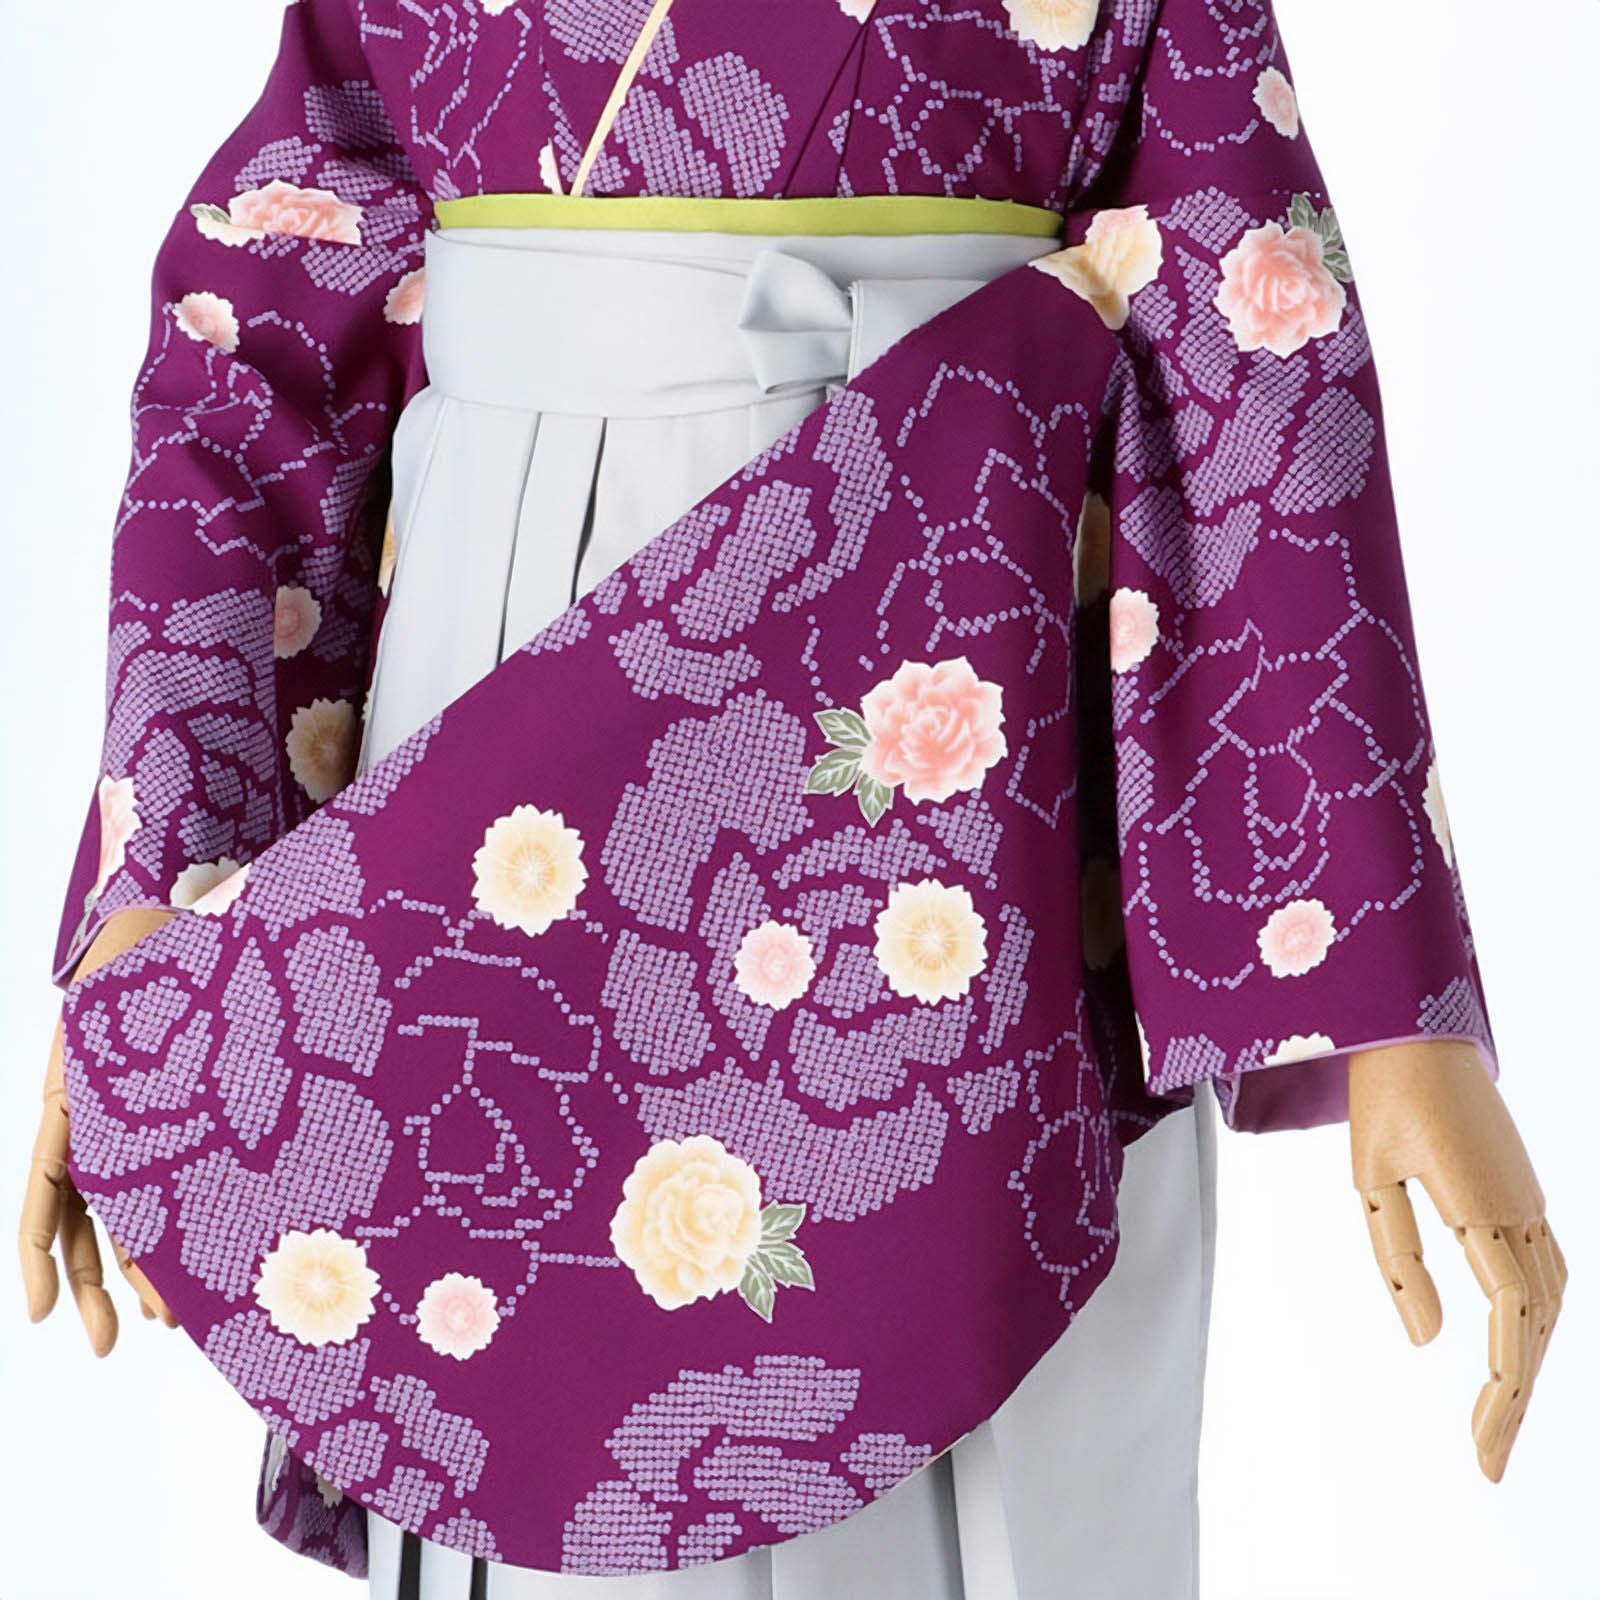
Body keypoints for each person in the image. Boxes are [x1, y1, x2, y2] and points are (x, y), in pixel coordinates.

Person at [20, 3, 1566, 1597]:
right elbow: (256, 349)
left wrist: (1392, 996)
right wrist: (162, 872)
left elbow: (1256, 333)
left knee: (1004, 1392)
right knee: (533, 1317)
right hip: (506, 723)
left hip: (967, 711)